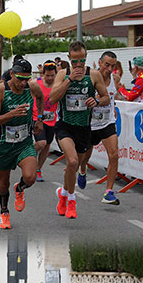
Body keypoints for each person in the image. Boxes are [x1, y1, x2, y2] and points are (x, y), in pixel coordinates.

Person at [49, 40, 109, 220]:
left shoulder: (94, 75)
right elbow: (52, 98)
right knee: (73, 162)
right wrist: (69, 80)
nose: (78, 65)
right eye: (74, 61)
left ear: (86, 58)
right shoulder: (62, 74)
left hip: (84, 128)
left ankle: (63, 194)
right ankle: (72, 201)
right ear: (69, 59)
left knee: (72, 167)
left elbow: (106, 97)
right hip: (65, 125)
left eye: (81, 61)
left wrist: (97, 101)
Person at [0, 57, 45, 230]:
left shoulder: (32, 87)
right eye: (20, 79)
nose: (23, 83)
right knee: (2, 184)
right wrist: (11, 114)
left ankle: (20, 188)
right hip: (5, 144)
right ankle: (4, 212)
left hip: (24, 142)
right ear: (12, 74)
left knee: (30, 177)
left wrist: (40, 119)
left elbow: (41, 98)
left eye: (26, 79)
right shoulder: (0, 90)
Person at [78, 50, 121, 205]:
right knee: (85, 157)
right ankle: (82, 170)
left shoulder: (115, 78)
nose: (109, 69)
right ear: (100, 63)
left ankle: (108, 192)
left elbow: (114, 98)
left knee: (114, 155)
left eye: (113, 66)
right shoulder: (90, 78)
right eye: (107, 65)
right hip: (90, 124)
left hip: (107, 123)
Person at [33, 60, 58, 181]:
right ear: (43, 74)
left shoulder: (58, 85)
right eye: (47, 75)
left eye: (52, 75)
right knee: (41, 143)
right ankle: (26, 154)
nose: (50, 78)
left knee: (47, 146)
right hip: (37, 118)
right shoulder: (36, 83)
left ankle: (38, 169)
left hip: (51, 120)